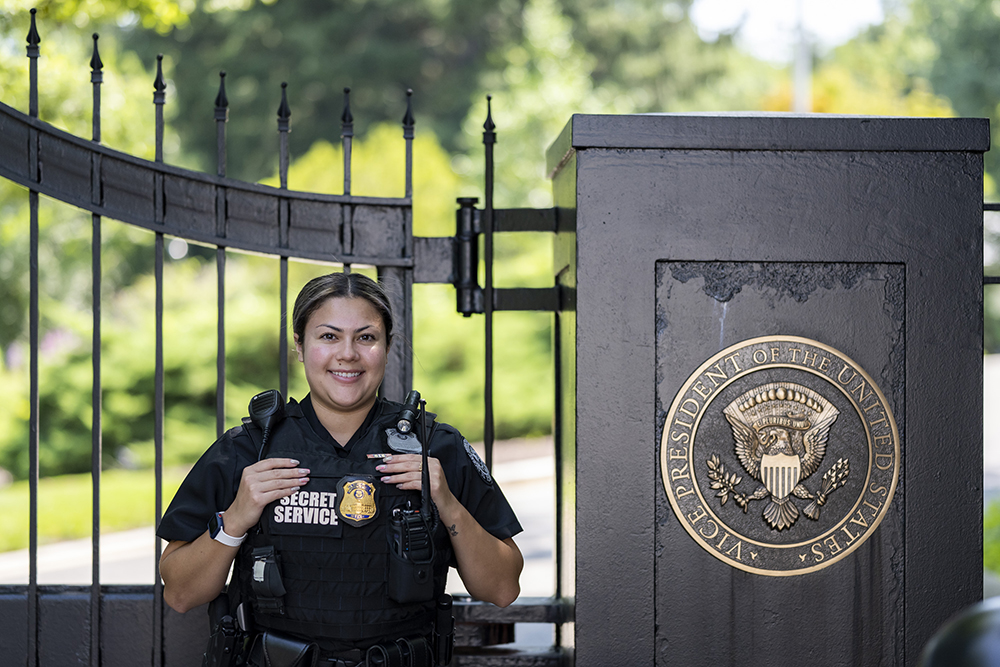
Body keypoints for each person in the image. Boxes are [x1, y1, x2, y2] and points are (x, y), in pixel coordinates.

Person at [157, 272, 524, 666]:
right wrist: (235, 520)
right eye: (328, 336)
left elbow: (502, 588)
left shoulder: (436, 448)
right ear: (299, 345)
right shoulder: (247, 449)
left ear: (387, 347)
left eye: (366, 337)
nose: (347, 353)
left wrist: (447, 503)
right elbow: (180, 594)